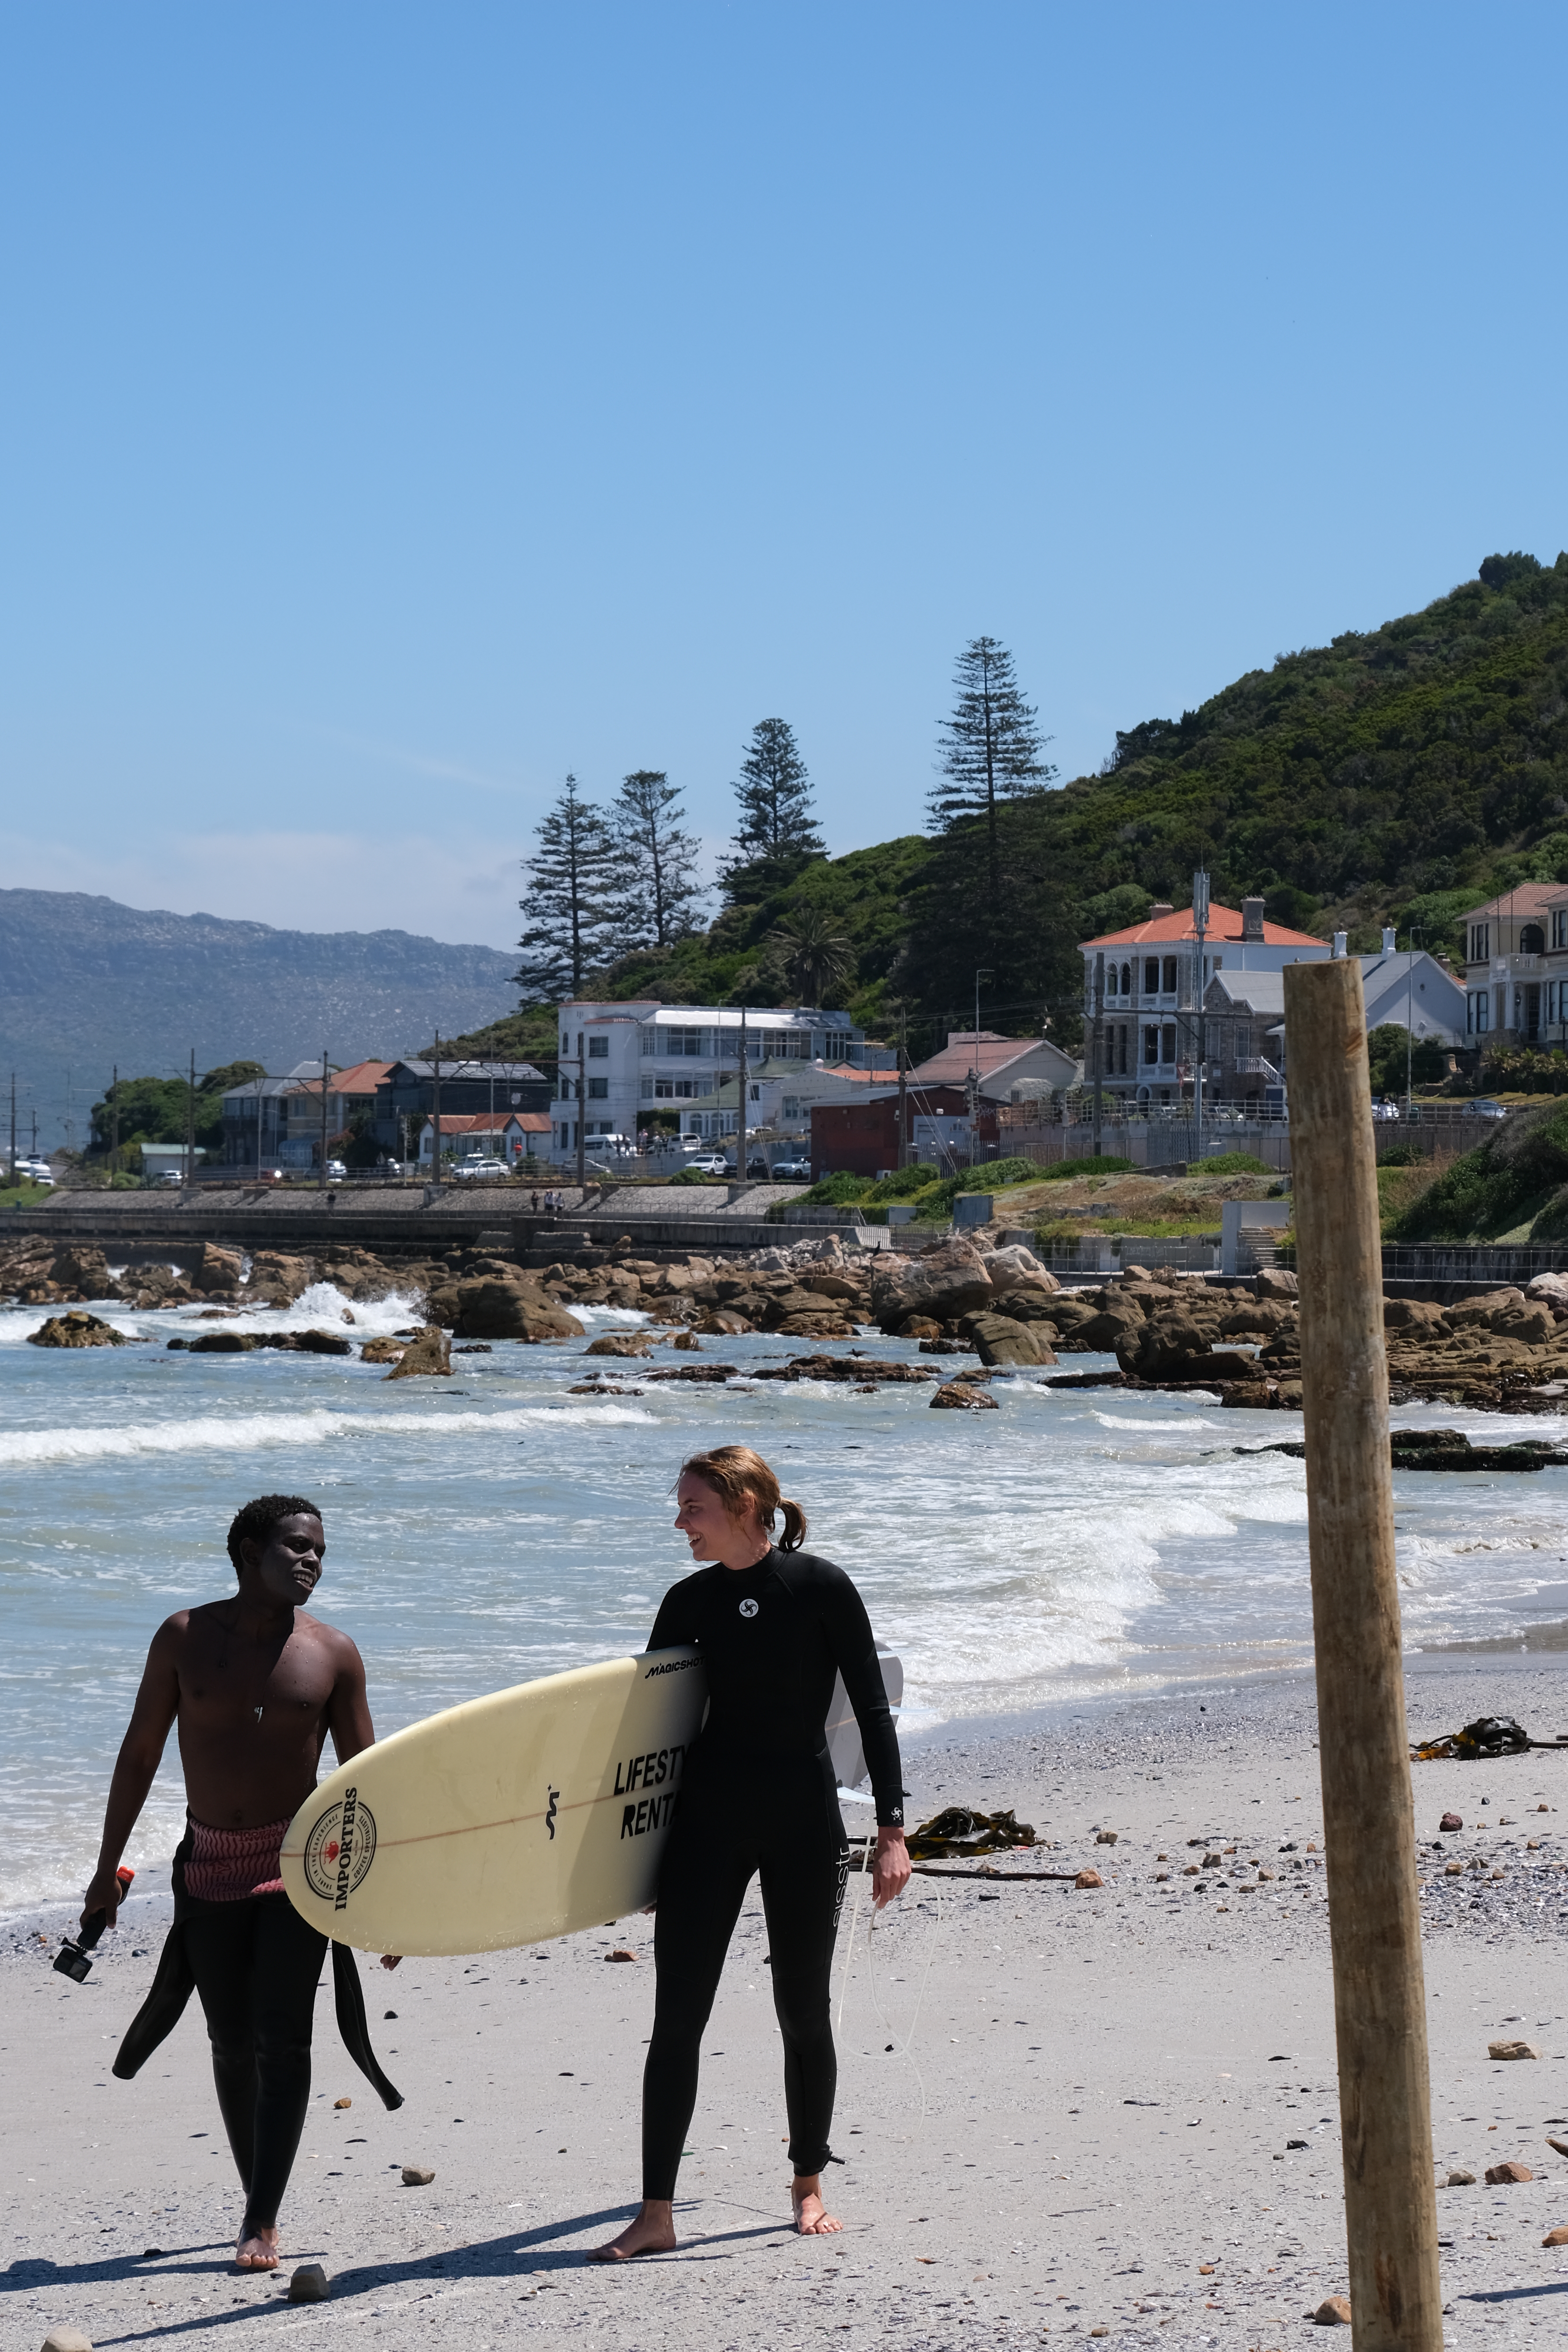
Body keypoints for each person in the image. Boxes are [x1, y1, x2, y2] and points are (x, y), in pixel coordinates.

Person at [592, 1446, 909, 2260]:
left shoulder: (820, 1589)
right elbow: (650, 1739)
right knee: (678, 2020)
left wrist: (892, 1831)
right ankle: (656, 2213)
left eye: (693, 1507)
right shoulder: (687, 1601)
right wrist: (634, 1855)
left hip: (803, 1825)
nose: (679, 1522)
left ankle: (808, 2185)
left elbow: (872, 1712)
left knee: (802, 2012)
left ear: (742, 1504)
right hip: (705, 1829)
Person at [82, 1494, 400, 2273]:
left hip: (300, 1867)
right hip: (209, 1864)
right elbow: (139, 1755)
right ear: (247, 1550)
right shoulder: (184, 1638)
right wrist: (104, 1873)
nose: (311, 1562)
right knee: (231, 2041)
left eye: (320, 1551)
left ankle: (262, 2218)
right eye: (295, 1547)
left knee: (285, 2039)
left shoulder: (334, 1653)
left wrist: (391, 1901)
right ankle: (257, 2189)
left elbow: (370, 1785)